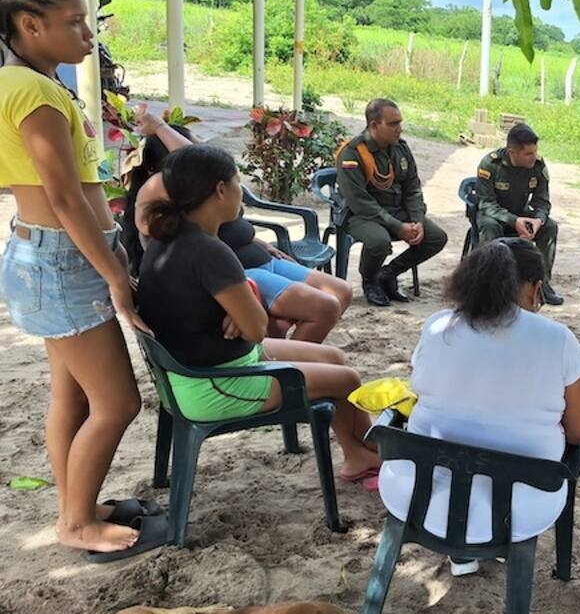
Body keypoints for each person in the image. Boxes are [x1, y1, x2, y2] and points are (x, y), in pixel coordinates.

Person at [0, 0, 164, 559]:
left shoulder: (23, 83)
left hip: (46, 257)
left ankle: (78, 504)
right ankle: (76, 525)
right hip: (61, 263)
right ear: (29, 25)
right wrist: (115, 274)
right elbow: (66, 197)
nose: (88, 34)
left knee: (70, 396)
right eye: (74, 22)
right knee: (118, 402)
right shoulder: (35, 92)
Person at [136, 145, 380, 484]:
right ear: (221, 190)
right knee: (348, 380)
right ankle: (367, 456)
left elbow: (237, 314)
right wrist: (247, 307)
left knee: (335, 357)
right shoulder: (211, 252)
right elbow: (257, 328)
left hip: (196, 370)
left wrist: (241, 304)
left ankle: (359, 455)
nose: (241, 195)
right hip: (217, 385)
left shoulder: (165, 238)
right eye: (238, 184)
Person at [377, 239, 580, 576]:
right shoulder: (557, 339)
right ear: (534, 289)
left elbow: (432, 392)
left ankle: (462, 554)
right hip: (517, 511)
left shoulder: (437, 325)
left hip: (417, 495)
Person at [126, 115, 352, 343]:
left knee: (341, 291)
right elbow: (206, 165)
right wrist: (159, 128)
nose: (201, 150)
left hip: (259, 257)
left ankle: (293, 349)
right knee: (323, 308)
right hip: (241, 272)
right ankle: (288, 363)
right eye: (194, 147)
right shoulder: (168, 192)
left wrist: (256, 240)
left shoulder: (211, 196)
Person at [336, 98, 447, 307]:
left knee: (436, 237)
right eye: (393, 124)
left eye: (400, 123)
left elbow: (412, 188)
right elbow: (360, 202)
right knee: (379, 241)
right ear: (374, 125)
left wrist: (417, 221)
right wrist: (398, 227)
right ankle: (370, 282)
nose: (400, 129)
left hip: (396, 211)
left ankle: (388, 273)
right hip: (361, 216)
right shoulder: (352, 153)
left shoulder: (400, 149)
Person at [475, 123, 563, 305]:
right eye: (528, 154)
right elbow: (487, 204)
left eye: (535, 152)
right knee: (489, 226)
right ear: (512, 152)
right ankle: (491, 285)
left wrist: (538, 220)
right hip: (494, 214)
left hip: (520, 212)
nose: (534, 157)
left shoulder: (537, 166)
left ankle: (542, 283)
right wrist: (514, 221)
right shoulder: (490, 164)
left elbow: (542, 201)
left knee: (550, 226)